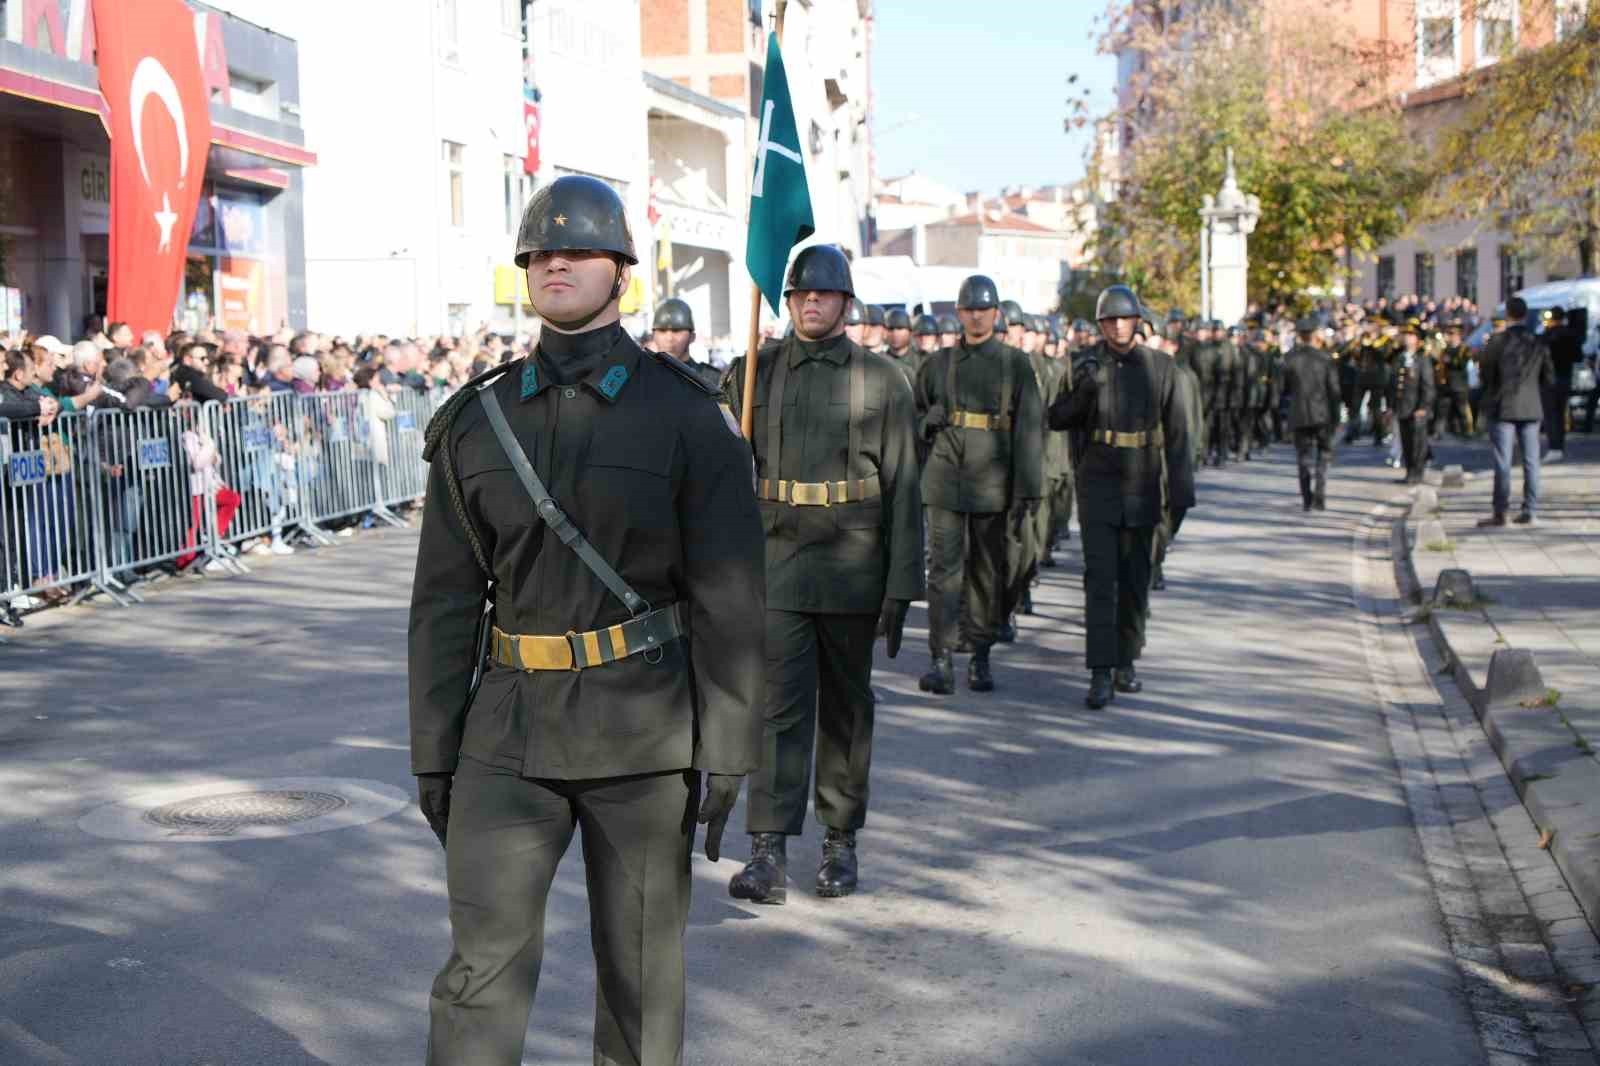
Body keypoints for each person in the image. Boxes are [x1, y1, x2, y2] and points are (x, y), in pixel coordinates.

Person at [408, 174, 766, 1066]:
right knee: (478, 975)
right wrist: (434, 748)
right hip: (507, 733)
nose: (555, 263)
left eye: (578, 250)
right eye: (540, 252)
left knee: (642, 977)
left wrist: (728, 741)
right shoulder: (476, 421)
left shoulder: (687, 415)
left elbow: (728, 595)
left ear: (622, 273)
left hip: (641, 731)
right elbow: (445, 601)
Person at [720, 243, 922, 905]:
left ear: (845, 302)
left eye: (825, 292)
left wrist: (901, 587)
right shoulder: (755, 372)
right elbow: (718, 469)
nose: (812, 301)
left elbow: (904, 488)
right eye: (801, 292)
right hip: (777, 561)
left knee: (845, 710)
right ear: (786, 301)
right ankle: (768, 850)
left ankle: (840, 839)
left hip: (852, 564)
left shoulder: (881, 380)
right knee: (777, 708)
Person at [1048, 285, 1194, 710]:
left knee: (1134, 578)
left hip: (1143, 481)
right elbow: (1056, 418)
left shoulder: (1161, 367)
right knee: (1100, 579)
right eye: (1109, 320)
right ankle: (1100, 671)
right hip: (1098, 481)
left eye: (1123, 318)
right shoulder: (1083, 363)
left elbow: (1179, 435)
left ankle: (1126, 660)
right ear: (1100, 325)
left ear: (1137, 321)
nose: (1116, 326)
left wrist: (1180, 495)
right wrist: (1084, 391)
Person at [913, 275, 1043, 695]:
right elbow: (912, 418)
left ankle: (980, 655)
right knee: (943, 573)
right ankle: (941, 658)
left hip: (993, 479)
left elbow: (1029, 428)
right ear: (958, 313)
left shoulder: (1015, 364)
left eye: (983, 309)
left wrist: (1028, 488)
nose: (975, 316)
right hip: (945, 478)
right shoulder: (938, 364)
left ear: (996, 313)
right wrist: (925, 422)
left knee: (987, 571)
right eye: (968, 309)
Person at [1477, 296, 1554, 528]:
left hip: (1503, 406)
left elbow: (1485, 374)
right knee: (1531, 461)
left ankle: (1501, 512)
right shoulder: (1537, 342)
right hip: (1531, 407)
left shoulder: (1497, 341)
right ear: (1525, 315)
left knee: (1503, 461)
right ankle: (1530, 510)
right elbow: (1548, 377)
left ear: (1508, 315)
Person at [1282, 316, 1341, 512]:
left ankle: (1307, 498)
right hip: (1322, 414)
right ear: (1314, 335)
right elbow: (1334, 390)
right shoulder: (1325, 359)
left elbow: (1284, 389)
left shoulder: (1290, 359)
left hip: (1299, 413)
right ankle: (1320, 496)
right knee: (1323, 455)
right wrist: (1336, 416)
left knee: (1303, 457)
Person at [1390, 320, 1435, 485]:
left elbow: (1428, 386)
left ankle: (1417, 473)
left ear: (1417, 339)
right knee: (1406, 442)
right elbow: (1393, 385)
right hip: (1402, 407)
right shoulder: (1399, 358)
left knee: (1418, 443)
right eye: (1405, 335)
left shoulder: (1422, 360)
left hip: (1417, 408)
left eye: (1410, 335)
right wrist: (1391, 406)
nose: (1406, 338)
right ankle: (1409, 472)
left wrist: (1423, 407)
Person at [651, 297, 722, 390]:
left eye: (676, 331)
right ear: (653, 335)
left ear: (692, 336)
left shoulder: (711, 380)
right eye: (662, 330)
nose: (669, 338)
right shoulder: (642, 377)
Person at [1543, 306, 1581, 462]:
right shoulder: (1571, 334)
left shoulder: (1548, 334)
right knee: (1560, 412)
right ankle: (1560, 446)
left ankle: (1554, 446)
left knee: (1550, 414)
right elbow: (1578, 356)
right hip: (1565, 376)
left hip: (1549, 379)